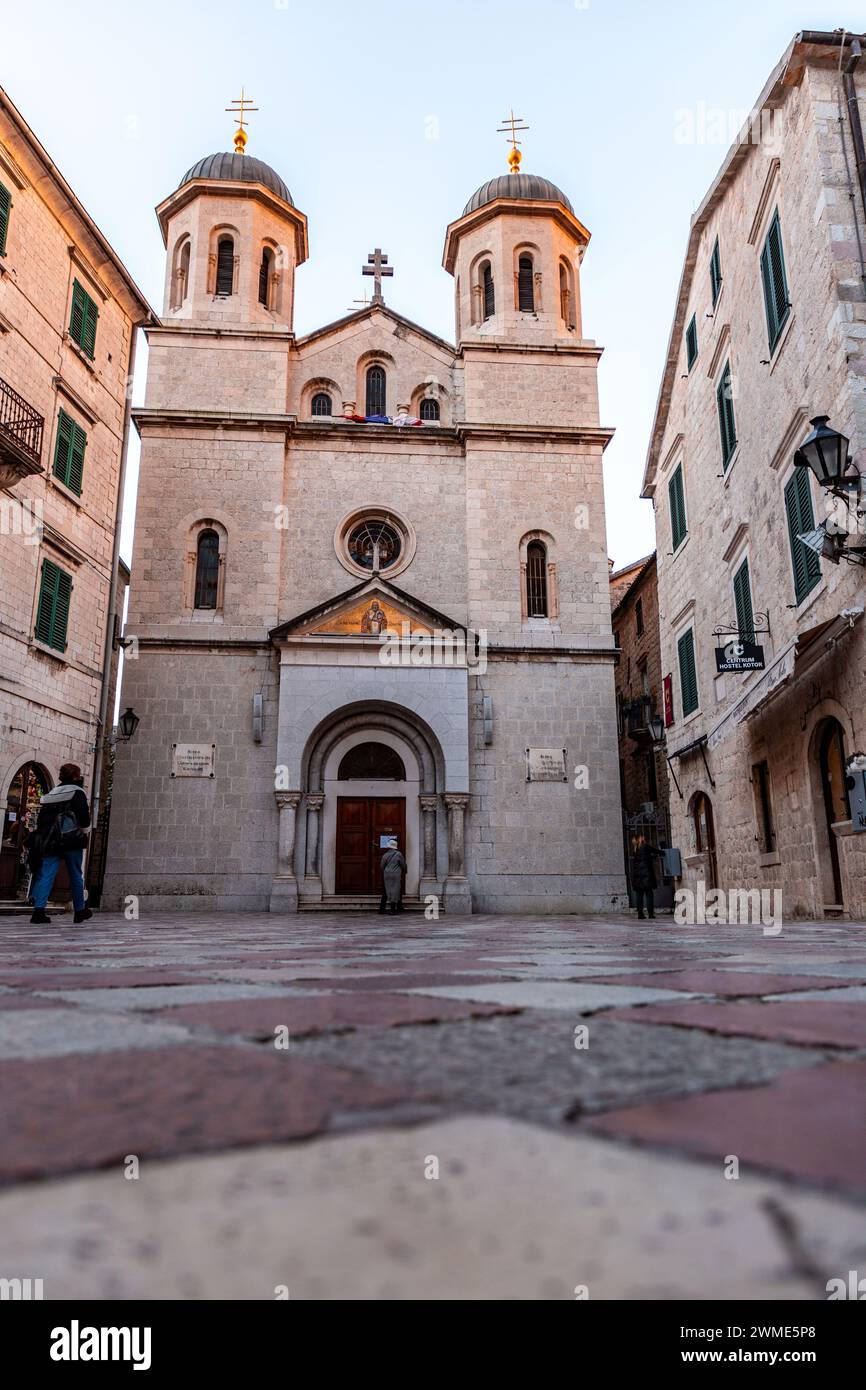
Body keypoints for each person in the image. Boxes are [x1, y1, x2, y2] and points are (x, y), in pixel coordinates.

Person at [28, 763, 92, 925]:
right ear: (76, 776)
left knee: (46, 873)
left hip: (51, 841)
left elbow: (42, 820)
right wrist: (83, 832)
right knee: (76, 875)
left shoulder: (51, 794)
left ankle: (39, 911)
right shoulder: (77, 793)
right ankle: (80, 911)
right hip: (71, 840)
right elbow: (84, 817)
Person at [631, 835, 664, 920]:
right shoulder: (645, 846)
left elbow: (643, 858)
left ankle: (640, 914)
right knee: (649, 894)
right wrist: (662, 852)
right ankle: (650, 914)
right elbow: (655, 851)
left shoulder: (635, 849)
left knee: (639, 895)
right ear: (642, 839)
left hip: (637, 875)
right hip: (646, 875)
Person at [379, 837, 406, 914]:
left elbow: (382, 866)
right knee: (395, 890)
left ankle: (382, 908)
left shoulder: (385, 855)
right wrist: (405, 871)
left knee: (386, 890)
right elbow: (403, 864)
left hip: (387, 874)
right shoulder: (399, 854)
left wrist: (386, 871)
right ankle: (393, 909)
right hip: (396, 874)